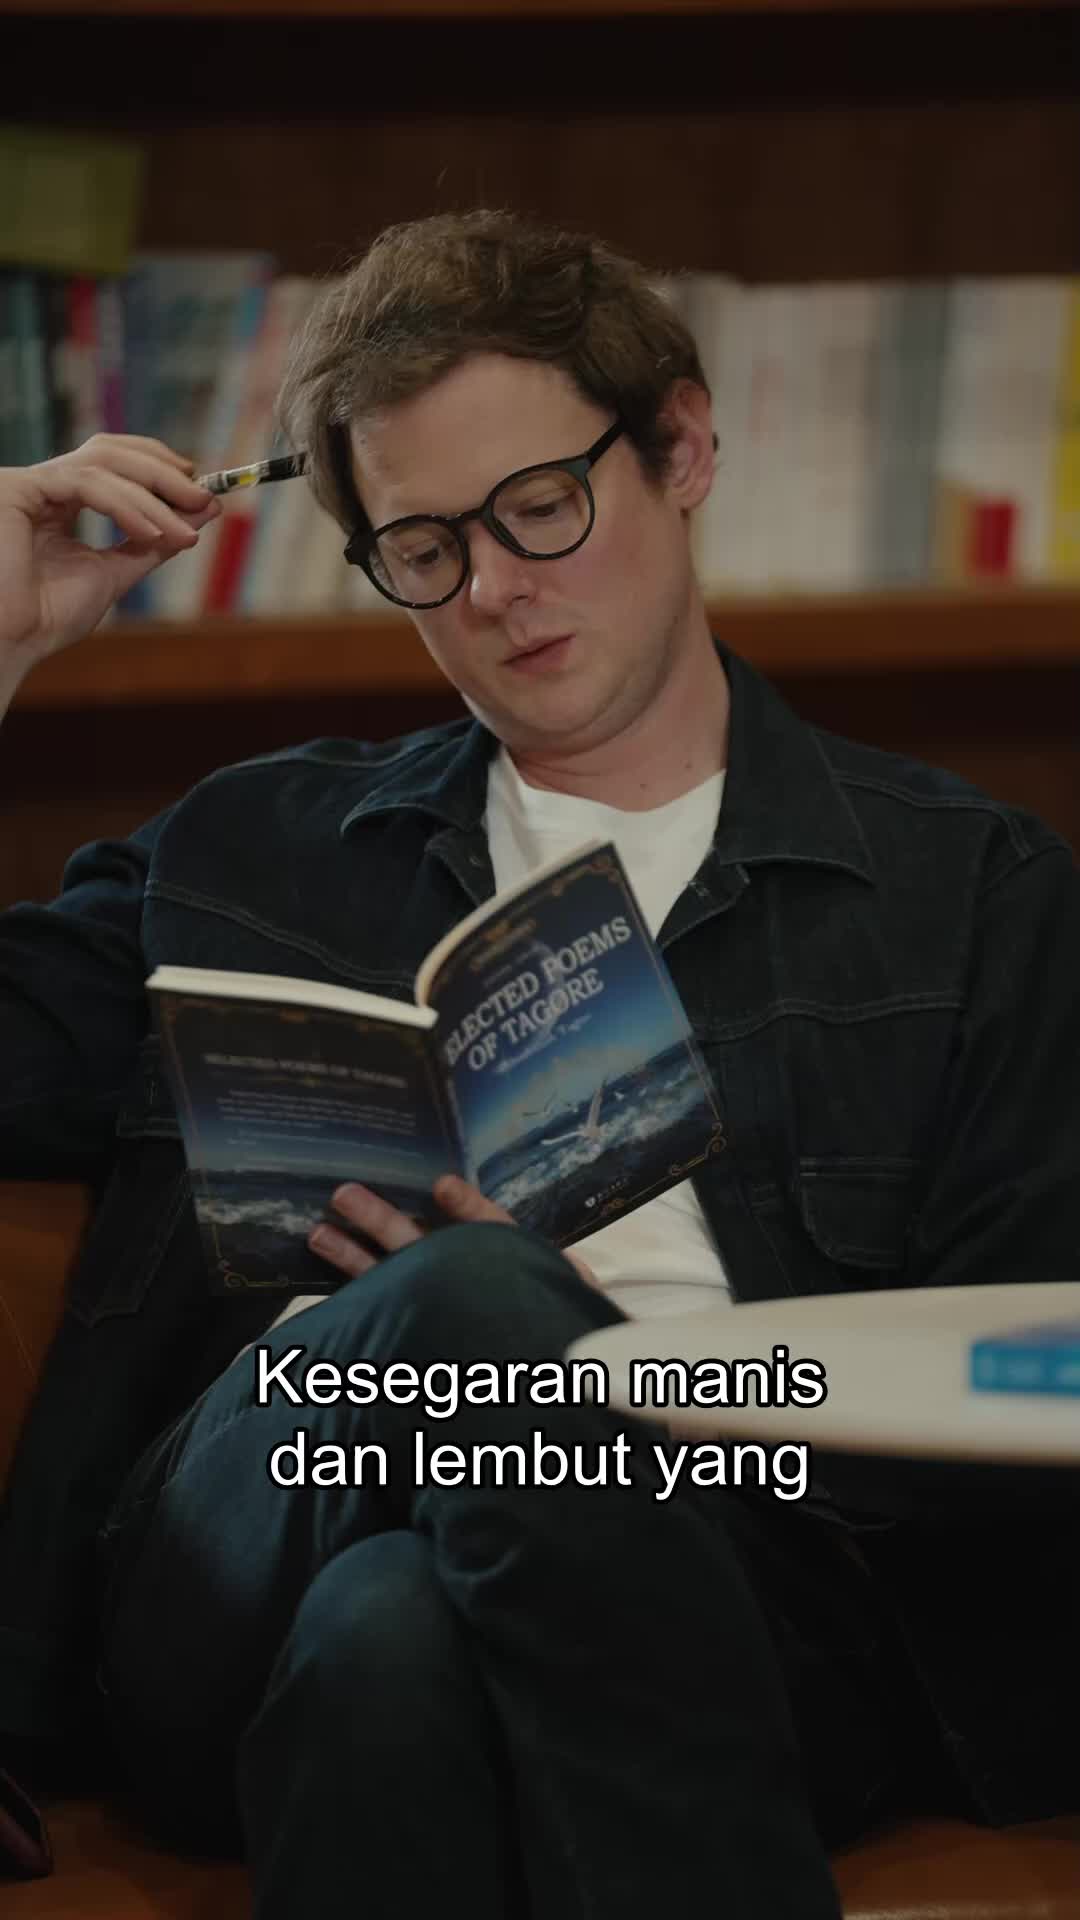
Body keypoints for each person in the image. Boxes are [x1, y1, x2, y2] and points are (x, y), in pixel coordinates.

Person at [0, 208, 1078, 1919]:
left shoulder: (973, 897)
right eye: (423, 548)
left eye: (538, 508)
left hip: (760, 1588)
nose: (495, 590)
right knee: (463, 1303)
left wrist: (661, 1391)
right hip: (252, 1536)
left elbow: (1025, 1379)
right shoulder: (247, 853)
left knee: (391, 1644)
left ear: (682, 448)